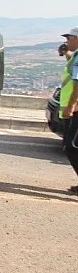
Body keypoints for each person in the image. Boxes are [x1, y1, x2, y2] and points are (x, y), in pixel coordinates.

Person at [59, 28, 78, 194]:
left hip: (76, 109)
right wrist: (67, 54)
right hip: (73, 109)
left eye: (69, 38)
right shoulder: (76, 56)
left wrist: (71, 107)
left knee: (71, 147)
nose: (67, 41)